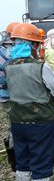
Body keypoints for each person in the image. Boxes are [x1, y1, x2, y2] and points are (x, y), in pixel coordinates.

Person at [5, 23, 54, 181]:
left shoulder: (8, 67)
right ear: (33, 45)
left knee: (23, 161)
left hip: (17, 121)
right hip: (40, 122)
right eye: (37, 44)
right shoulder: (41, 67)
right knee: (41, 163)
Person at [0, 22, 19, 172]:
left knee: (13, 124)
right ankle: (16, 159)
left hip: (6, 96)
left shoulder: (3, 50)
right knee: (17, 126)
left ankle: (15, 159)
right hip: (12, 95)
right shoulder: (9, 52)